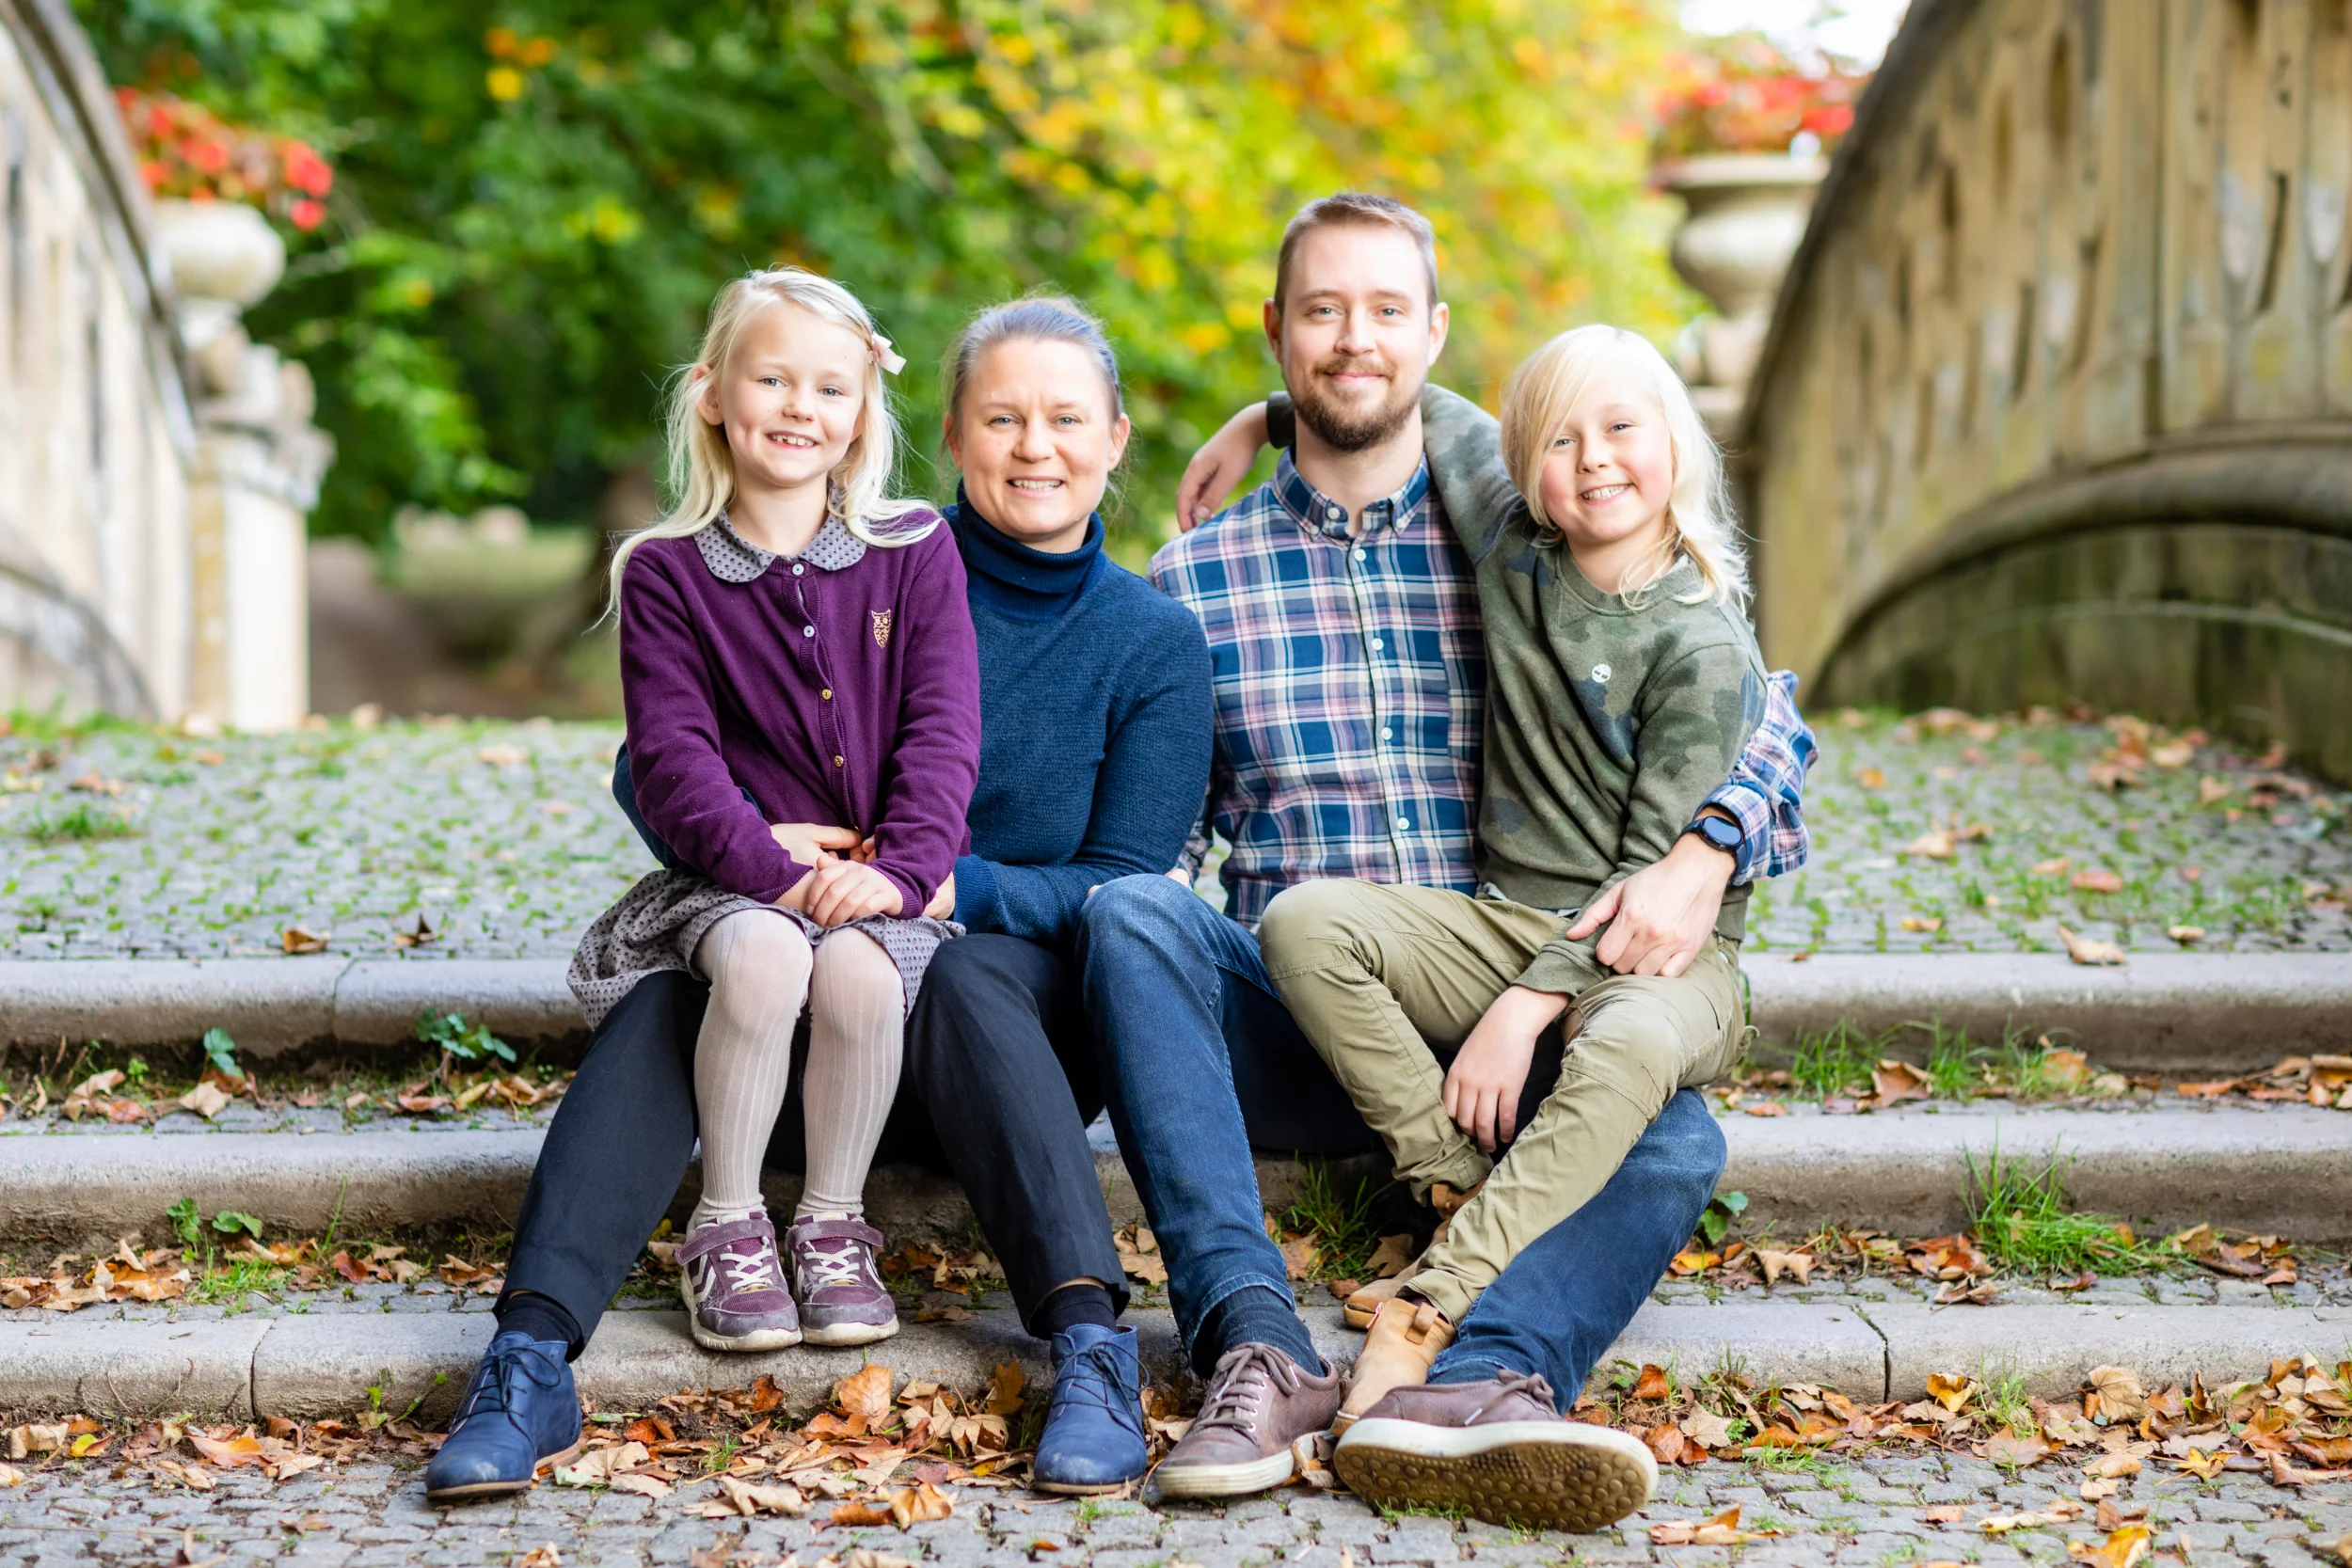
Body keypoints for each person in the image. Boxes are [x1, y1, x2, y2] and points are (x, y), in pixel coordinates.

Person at [1078, 193, 1814, 1521]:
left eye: (1382, 313)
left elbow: (1749, 693)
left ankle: (1481, 1381)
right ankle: (1254, 1344)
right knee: (1131, 912)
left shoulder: (1516, 530)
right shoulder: (1196, 575)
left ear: (1434, 336)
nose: (1352, 341)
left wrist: (1712, 843)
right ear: (1276, 333)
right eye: (1320, 313)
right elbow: (1156, 839)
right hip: (1308, 1012)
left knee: (1673, 1127)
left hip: (1509, 1020)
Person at [422, 295, 1212, 1504]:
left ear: (1114, 437)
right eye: (1002, 417)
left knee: (960, 972)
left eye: (1064, 419)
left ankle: (1087, 1343)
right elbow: (655, 759)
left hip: (995, 1023)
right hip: (794, 965)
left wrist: (947, 880)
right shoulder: (871, 553)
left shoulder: (1150, 640)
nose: (1033, 445)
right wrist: (766, 849)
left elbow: (1125, 885)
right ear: (949, 433)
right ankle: (530, 1352)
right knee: (670, 997)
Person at [1263, 322, 1766, 1443]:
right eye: (1560, 440)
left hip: (1666, 961)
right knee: (1305, 922)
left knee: (1627, 1046)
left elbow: (1649, 891)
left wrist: (1526, 1004)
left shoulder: (1700, 645)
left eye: (1623, 428)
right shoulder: (1514, 544)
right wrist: (1257, 420)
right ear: (1523, 467)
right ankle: (1452, 1184)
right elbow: (1407, 400)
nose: (1594, 459)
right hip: (1507, 919)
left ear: (1676, 442)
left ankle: (1437, 1300)